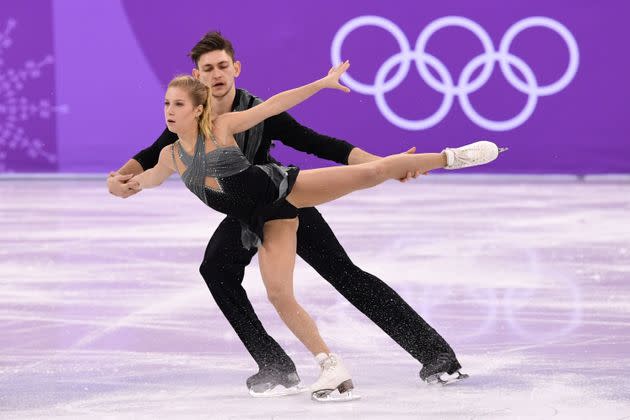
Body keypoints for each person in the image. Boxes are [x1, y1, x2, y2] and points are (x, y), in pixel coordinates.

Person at [107, 31, 474, 398]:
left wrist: (387, 164)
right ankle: (275, 364)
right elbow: (151, 155)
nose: (217, 74)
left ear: (235, 68)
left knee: (343, 273)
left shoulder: (251, 112)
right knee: (216, 269)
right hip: (242, 212)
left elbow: (322, 145)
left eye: (222, 66)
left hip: (281, 197)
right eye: (208, 69)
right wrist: (120, 180)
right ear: (197, 76)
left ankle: (436, 354)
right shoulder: (184, 120)